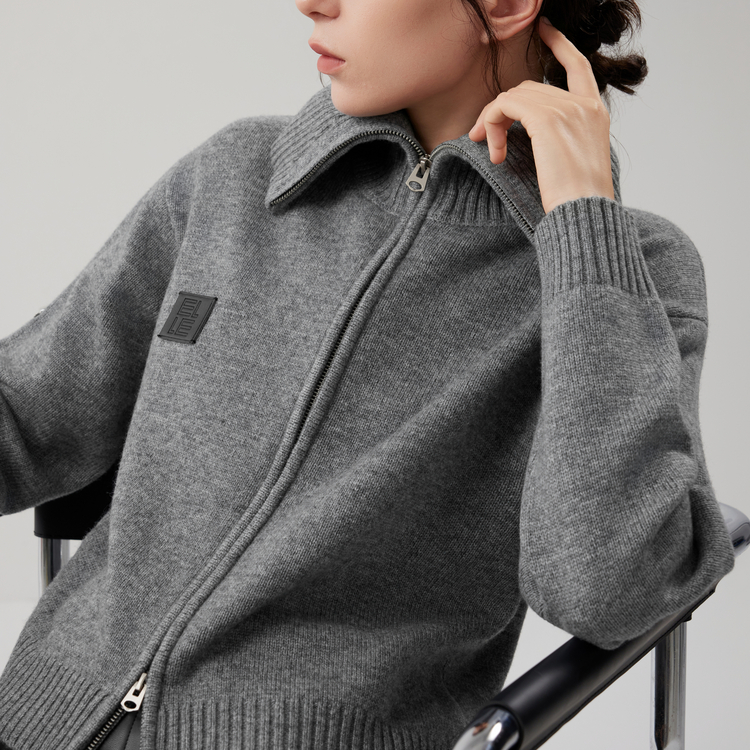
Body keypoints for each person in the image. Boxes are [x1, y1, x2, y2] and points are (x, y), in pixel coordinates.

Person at [0, 0, 736, 749]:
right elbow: (25, 412)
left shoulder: (630, 275)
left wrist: (583, 226)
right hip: (36, 720)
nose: (311, 2)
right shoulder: (234, 177)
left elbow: (610, 589)